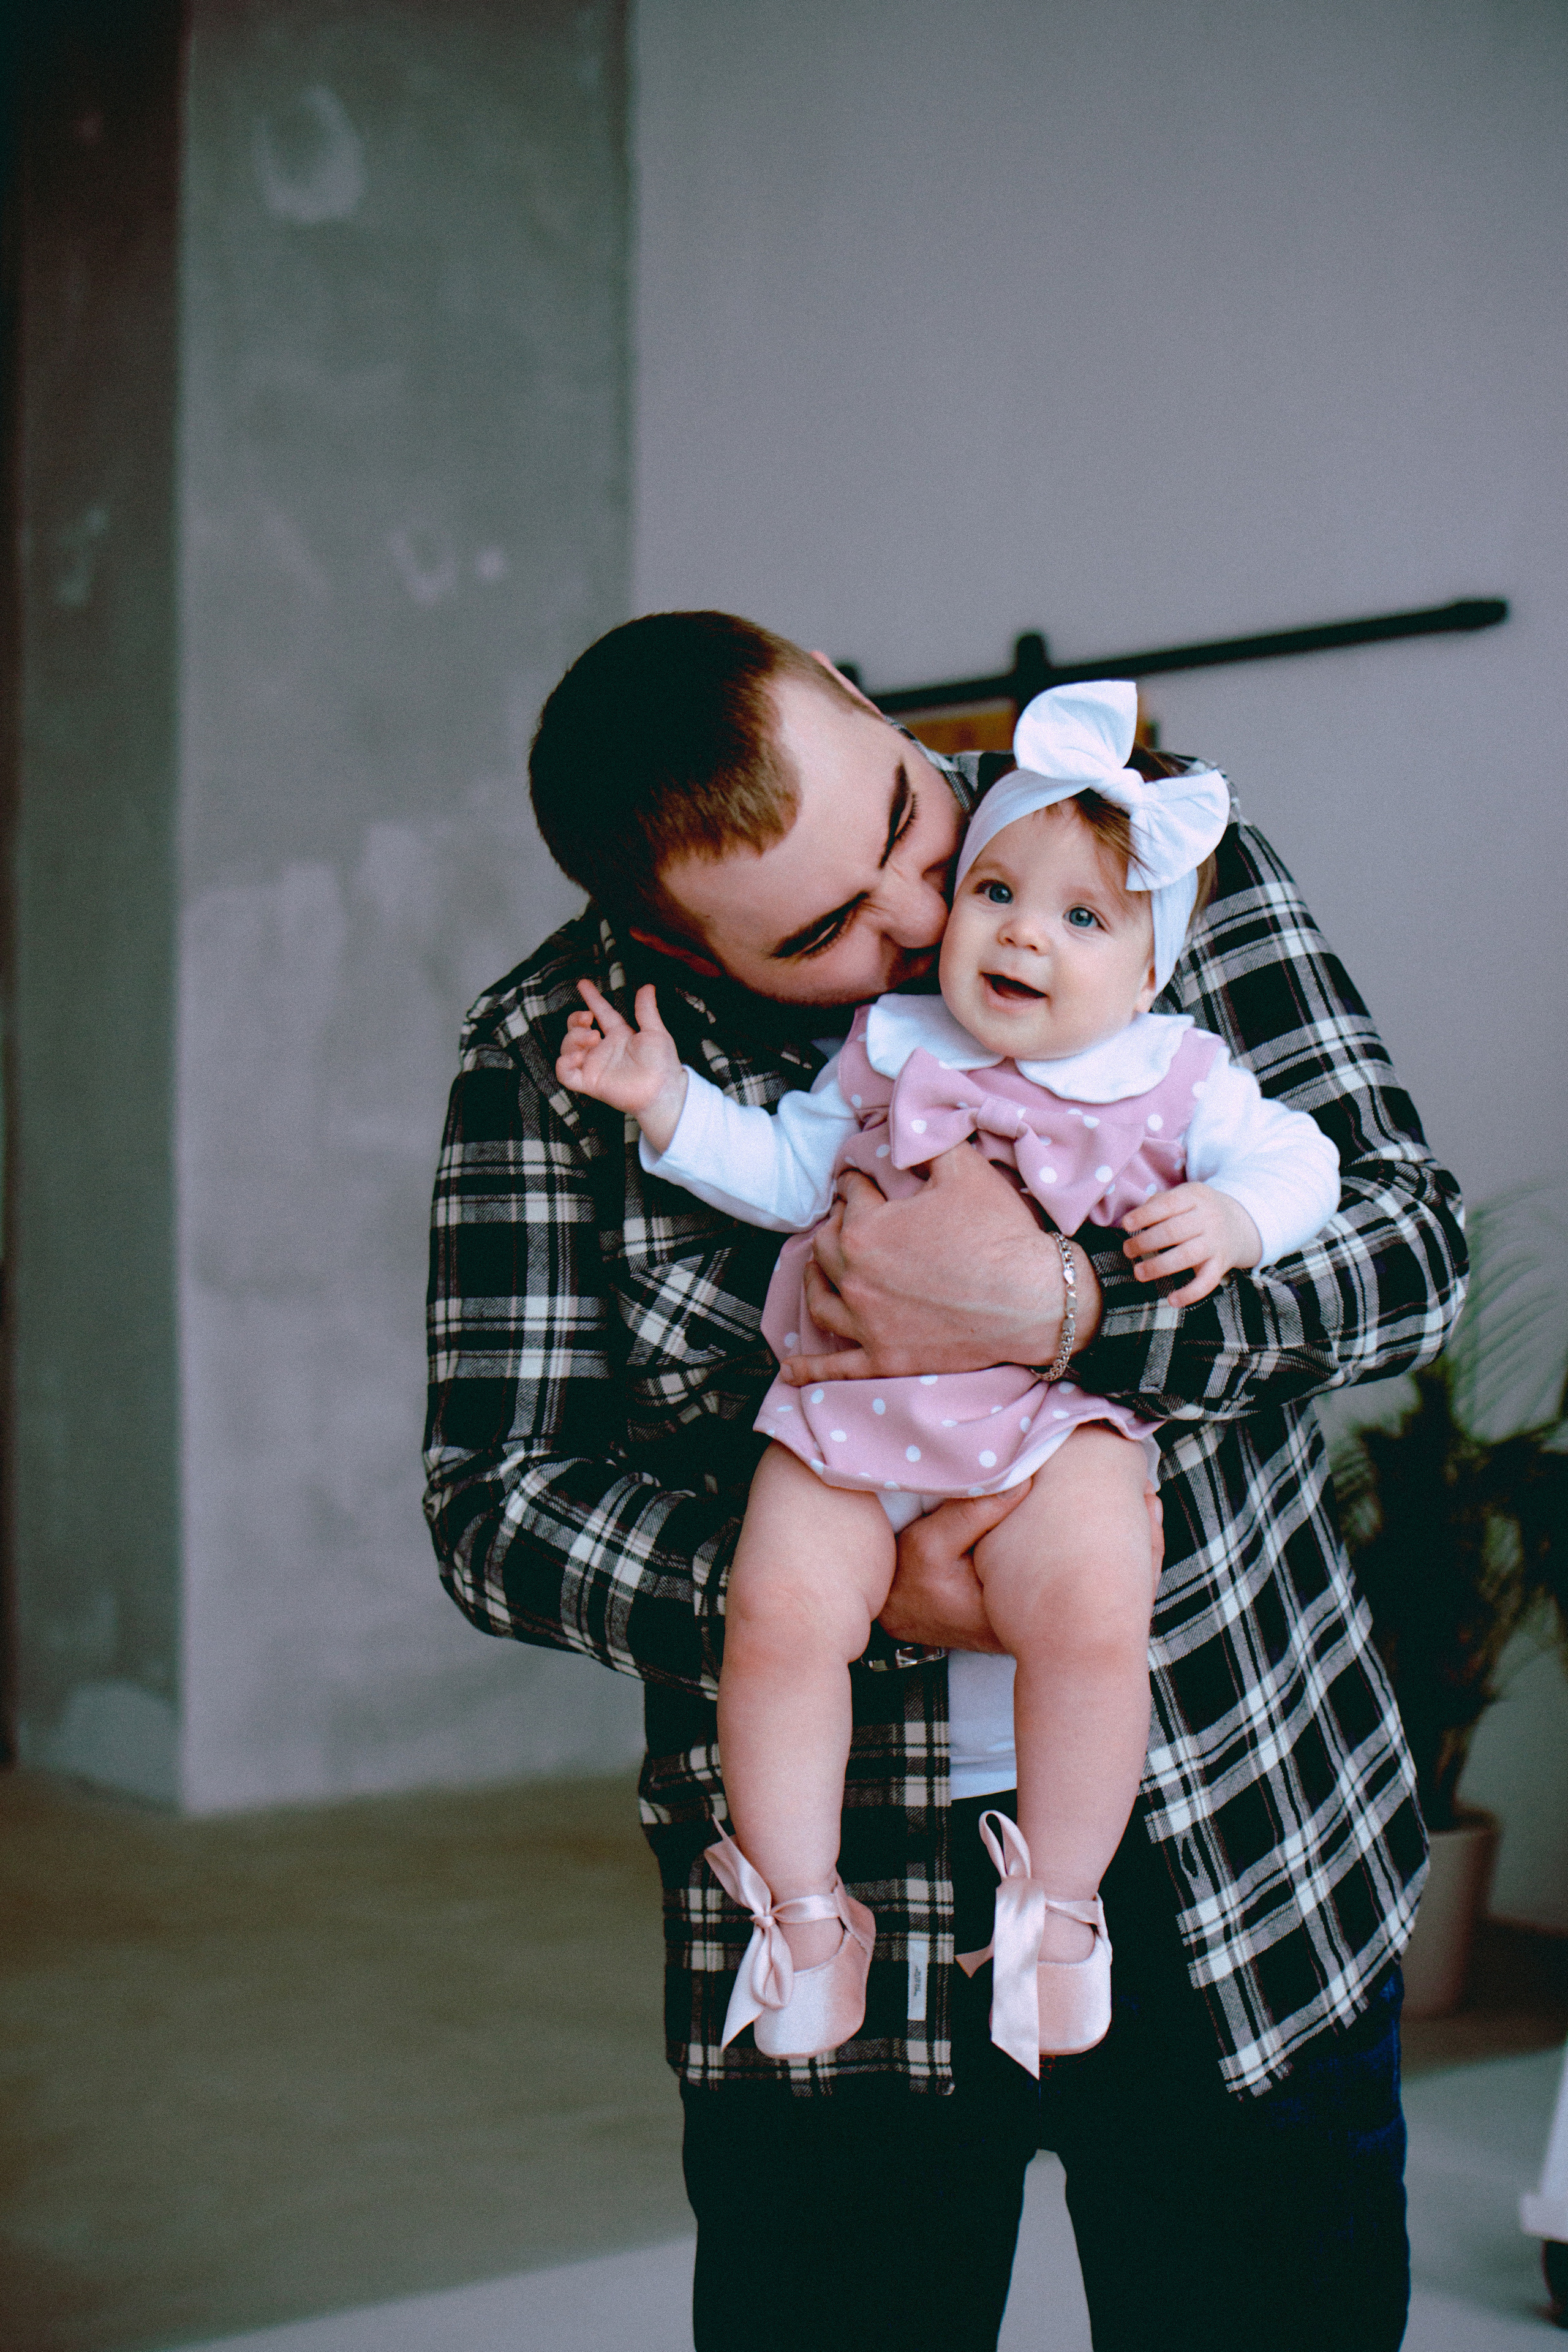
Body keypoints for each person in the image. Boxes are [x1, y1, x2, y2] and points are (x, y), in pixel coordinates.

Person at [424, 610, 1466, 2351]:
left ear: (859, 692)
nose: (927, 924)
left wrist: (1069, 1308)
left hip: (1234, 1840)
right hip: (842, 1912)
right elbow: (496, 1502)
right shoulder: (559, 1051)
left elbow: (1407, 1253)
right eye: (823, 931)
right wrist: (832, 1595)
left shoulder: (1136, 863)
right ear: (663, 939)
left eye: (910, 818)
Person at [552, 677, 1340, 2073]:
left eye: (1080, 920)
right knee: (778, 1611)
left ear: (1152, 970)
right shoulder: (887, 1048)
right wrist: (663, 1105)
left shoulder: (1175, 1072)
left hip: (1051, 1429)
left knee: (1095, 1610)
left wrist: (1223, 1224)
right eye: (994, 893)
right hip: (843, 1419)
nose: (1004, 930)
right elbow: (784, 1168)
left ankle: (1063, 1906)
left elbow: (1322, 1171)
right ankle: (801, 1909)